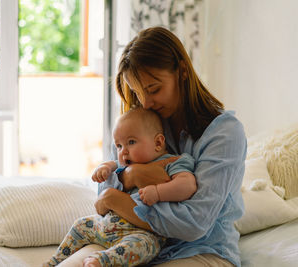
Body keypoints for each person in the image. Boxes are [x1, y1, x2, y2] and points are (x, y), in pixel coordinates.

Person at [61, 26, 247, 267]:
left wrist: (119, 200)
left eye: (154, 89)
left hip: (200, 250)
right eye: (138, 94)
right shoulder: (142, 123)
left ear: (181, 72)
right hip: (127, 239)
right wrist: (132, 176)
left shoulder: (225, 132)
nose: (146, 103)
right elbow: (102, 198)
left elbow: (193, 224)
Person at [44, 107, 197, 267]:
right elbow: (113, 164)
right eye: (118, 146)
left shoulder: (173, 162)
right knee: (81, 225)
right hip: (106, 225)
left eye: (131, 142)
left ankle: (104, 260)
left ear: (158, 143)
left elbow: (187, 185)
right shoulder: (124, 164)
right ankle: (54, 261)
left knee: (142, 246)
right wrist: (104, 168)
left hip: (142, 232)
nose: (123, 152)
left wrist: (158, 192)